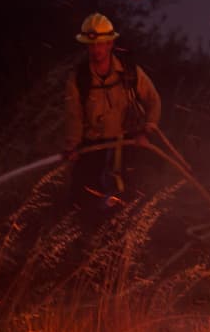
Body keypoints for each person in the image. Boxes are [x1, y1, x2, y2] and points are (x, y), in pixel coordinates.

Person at [62, 12, 163, 213]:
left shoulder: (129, 72)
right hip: (92, 148)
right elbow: (74, 115)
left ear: (110, 44)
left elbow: (153, 100)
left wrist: (147, 130)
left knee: (126, 198)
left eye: (100, 44)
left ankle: (126, 229)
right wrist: (72, 145)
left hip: (126, 145)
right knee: (83, 200)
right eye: (91, 45)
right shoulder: (79, 78)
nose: (96, 49)